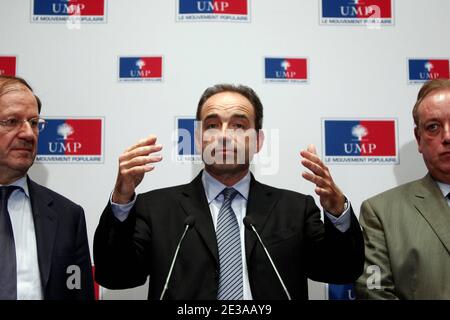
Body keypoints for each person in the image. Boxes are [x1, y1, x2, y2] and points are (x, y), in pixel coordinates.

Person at [94, 83, 364, 300]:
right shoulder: (156, 207)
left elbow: (341, 270)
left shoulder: (294, 208)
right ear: (199, 139)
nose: (224, 135)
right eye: (212, 125)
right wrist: (121, 199)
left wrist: (337, 211)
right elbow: (116, 277)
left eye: (238, 125)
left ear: (258, 141)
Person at [0, 75, 94, 300]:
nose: (28, 134)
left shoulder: (68, 216)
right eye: (12, 121)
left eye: (33, 123)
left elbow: (78, 293)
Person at [355, 79, 450, 299]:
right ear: (419, 139)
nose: (447, 136)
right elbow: (374, 293)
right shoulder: (381, 212)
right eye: (433, 127)